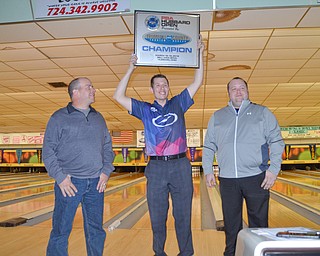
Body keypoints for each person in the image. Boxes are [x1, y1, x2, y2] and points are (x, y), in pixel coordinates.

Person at [113, 37, 204, 256]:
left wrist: (200, 53)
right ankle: (159, 253)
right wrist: (130, 68)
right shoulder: (144, 109)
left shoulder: (178, 103)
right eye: (158, 85)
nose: (162, 88)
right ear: (152, 89)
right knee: (157, 215)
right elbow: (118, 96)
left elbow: (197, 81)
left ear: (168, 88)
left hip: (181, 164)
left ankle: (186, 253)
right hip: (156, 167)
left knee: (182, 214)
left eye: (165, 84)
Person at [202, 77, 285, 256]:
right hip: (228, 179)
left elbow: (277, 141)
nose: (238, 91)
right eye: (234, 89)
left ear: (248, 91)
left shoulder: (262, 112)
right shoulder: (218, 116)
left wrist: (273, 169)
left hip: (256, 177)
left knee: (259, 224)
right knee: (231, 225)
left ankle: (261, 253)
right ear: (228, 93)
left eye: (242, 88)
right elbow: (209, 145)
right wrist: (207, 169)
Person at [43, 77, 115, 256]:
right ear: (75, 92)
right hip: (70, 183)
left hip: (96, 183)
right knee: (61, 230)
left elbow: (107, 148)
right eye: (89, 87)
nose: (94, 89)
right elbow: (48, 151)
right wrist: (61, 178)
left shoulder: (99, 118)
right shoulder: (59, 117)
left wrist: (106, 172)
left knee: (96, 231)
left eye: (92, 86)